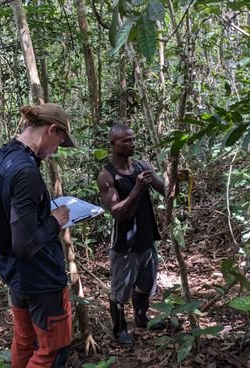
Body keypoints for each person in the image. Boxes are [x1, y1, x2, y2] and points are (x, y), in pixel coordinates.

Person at [0, 103, 76, 367]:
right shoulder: (25, 171)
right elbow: (26, 244)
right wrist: (54, 220)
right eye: (59, 141)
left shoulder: (1, 157)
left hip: (16, 275)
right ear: (50, 130)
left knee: (25, 342)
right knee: (53, 348)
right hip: (40, 277)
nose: (56, 150)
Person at [97, 123, 165, 347]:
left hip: (146, 239)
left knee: (146, 285)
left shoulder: (142, 166)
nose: (132, 144)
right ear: (113, 143)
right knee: (119, 292)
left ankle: (141, 318)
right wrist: (136, 188)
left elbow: (167, 191)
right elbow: (118, 213)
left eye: (133, 139)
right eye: (126, 140)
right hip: (124, 245)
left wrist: (175, 177)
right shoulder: (107, 176)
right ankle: (119, 330)